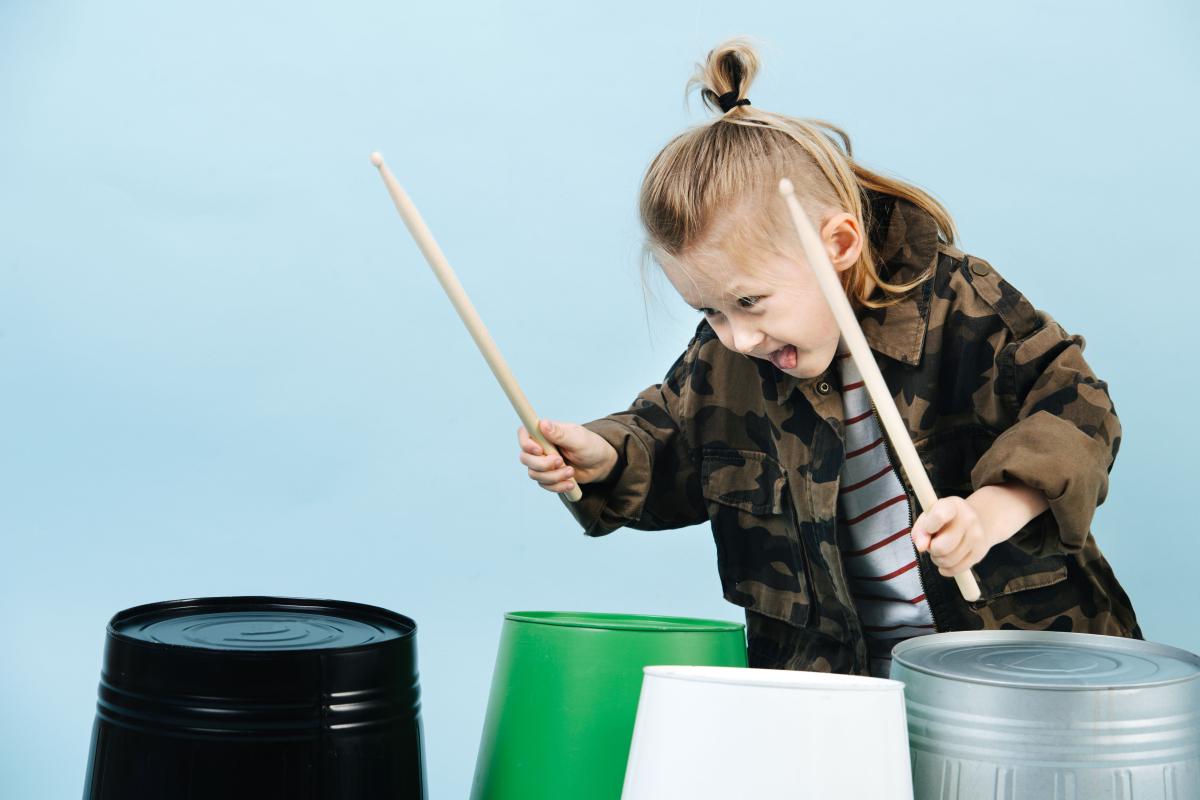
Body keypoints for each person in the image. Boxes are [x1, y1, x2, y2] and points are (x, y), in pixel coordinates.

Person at [515, 38, 1140, 677]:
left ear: (838, 243)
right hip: (831, 689)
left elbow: (1079, 411)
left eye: (749, 302)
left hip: (1013, 668)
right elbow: (667, 439)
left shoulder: (961, 302)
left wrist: (991, 511)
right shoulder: (726, 357)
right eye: (709, 312)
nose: (736, 336)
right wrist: (608, 455)